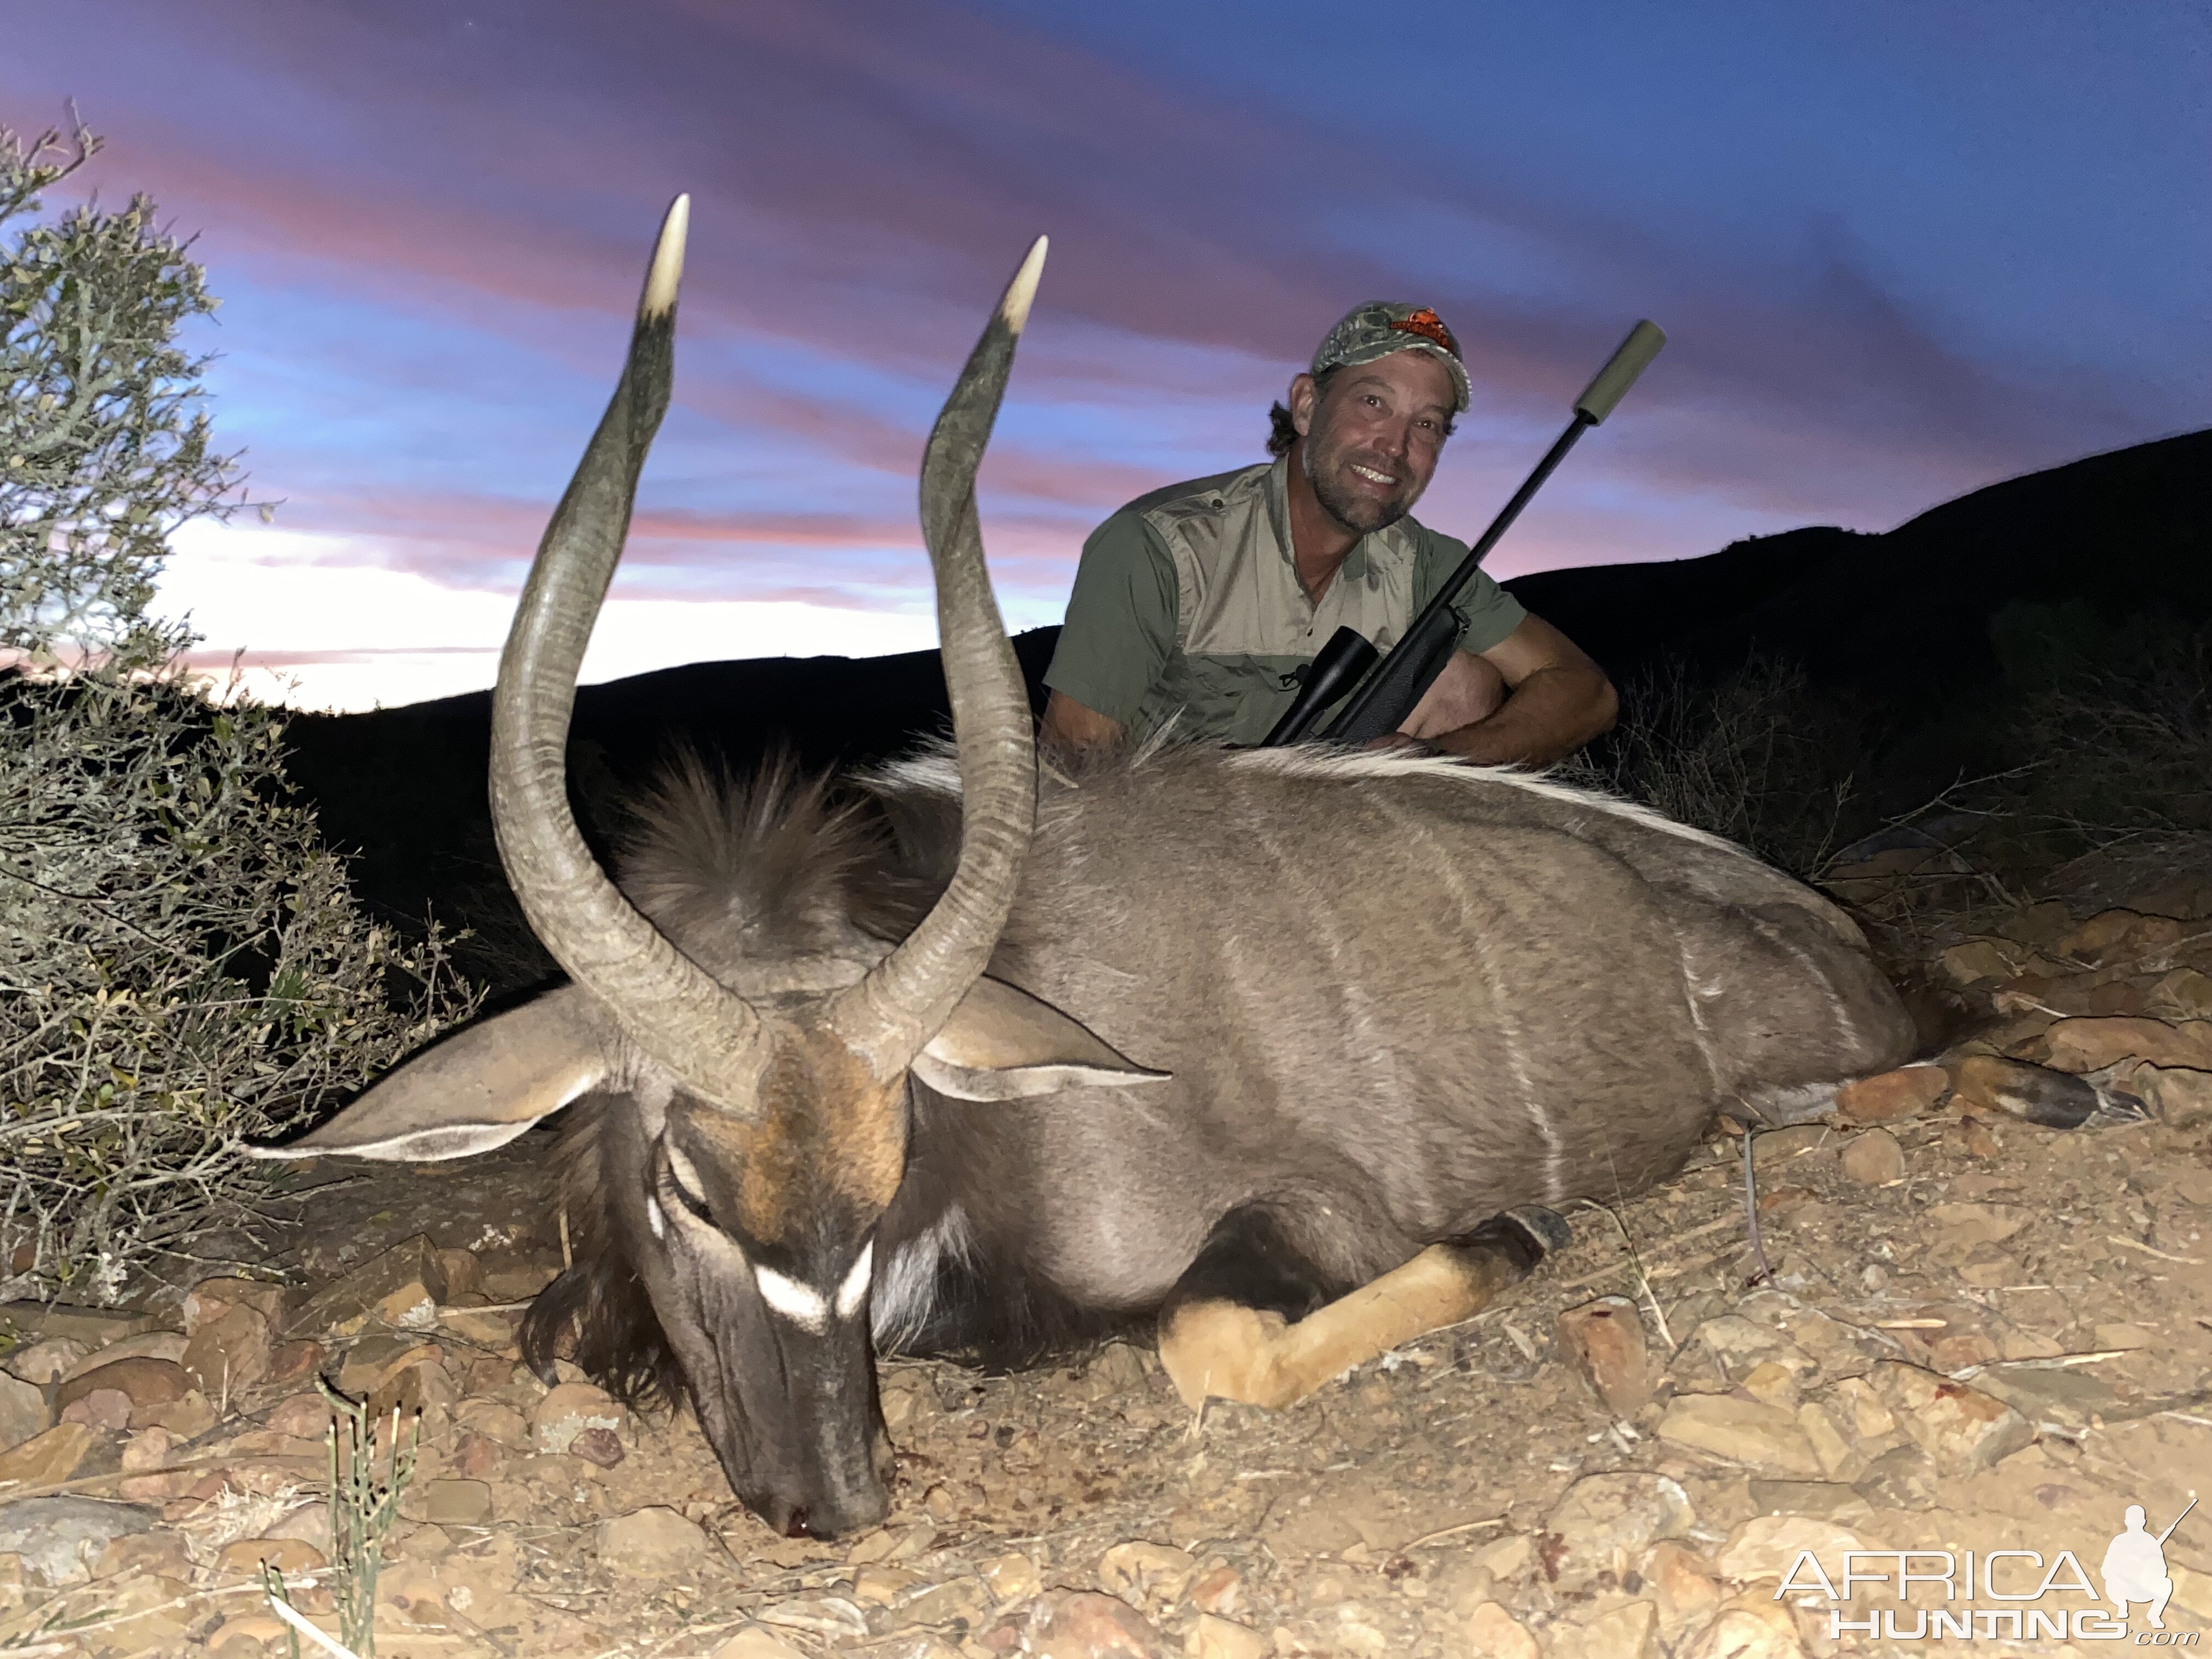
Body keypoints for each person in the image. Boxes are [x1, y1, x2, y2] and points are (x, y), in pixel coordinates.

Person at [1041, 301, 1617, 762]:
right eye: (1373, 402)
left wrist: (1444, 759)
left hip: (1336, 843)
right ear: (1307, 406)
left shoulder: (1429, 564)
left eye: (1427, 424)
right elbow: (1076, 765)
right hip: (1178, 846)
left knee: (1466, 681)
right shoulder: (1158, 546)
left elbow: (1583, 691)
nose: (1395, 446)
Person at [2102, 1504, 2175, 1629]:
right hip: (2122, 1589)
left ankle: (2154, 1615)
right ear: (2126, 1521)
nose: (2135, 1523)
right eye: (2132, 1519)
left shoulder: (2151, 1542)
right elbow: (2106, 1570)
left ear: (2144, 1522)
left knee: (2167, 1584)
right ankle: (2122, 1606)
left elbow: (2163, 1570)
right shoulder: (2118, 1541)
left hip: (2144, 1589)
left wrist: (2148, 1566)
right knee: (2112, 1581)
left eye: (2138, 1519)